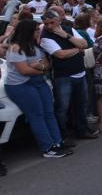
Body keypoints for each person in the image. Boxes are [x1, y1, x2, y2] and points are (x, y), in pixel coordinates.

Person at [4, 19, 72, 158]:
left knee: (49, 113)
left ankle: (57, 142)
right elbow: (24, 71)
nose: (39, 32)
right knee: (37, 115)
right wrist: (41, 69)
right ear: (27, 31)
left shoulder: (35, 46)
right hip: (20, 85)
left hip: (38, 82)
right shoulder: (15, 48)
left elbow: (47, 64)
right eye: (36, 30)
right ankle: (48, 148)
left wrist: (39, 67)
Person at [39, 10, 99, 141]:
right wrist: (77, 49)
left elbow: (84, 44)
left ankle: (82, 130)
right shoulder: (45, 37)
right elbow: (60, 54)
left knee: (82, 104)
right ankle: (63, 134)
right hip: (63, 76)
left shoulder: (68, 29)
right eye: (46, 23)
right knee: (63, 108)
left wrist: (66, 36)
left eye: (52, 22)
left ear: (59, 21)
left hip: (80, 72)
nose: (49, 26)